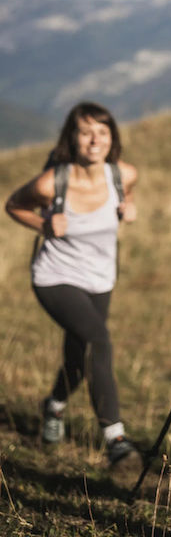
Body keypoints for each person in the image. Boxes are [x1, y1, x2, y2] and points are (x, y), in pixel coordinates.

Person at [5, 101, 140, 469]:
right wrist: (44, 225)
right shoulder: (53, 182)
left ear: (112, 138)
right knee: (98, 340)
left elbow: (127, 196)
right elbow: (14, 204)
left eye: (102, 131)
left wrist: (128, 207)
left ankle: (53, 406)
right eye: (85, 132)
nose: (94, 140)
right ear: (72, 138)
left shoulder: (123, 175)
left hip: (100, 279)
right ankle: (116, 439)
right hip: (55, 277)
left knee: (78, 360)